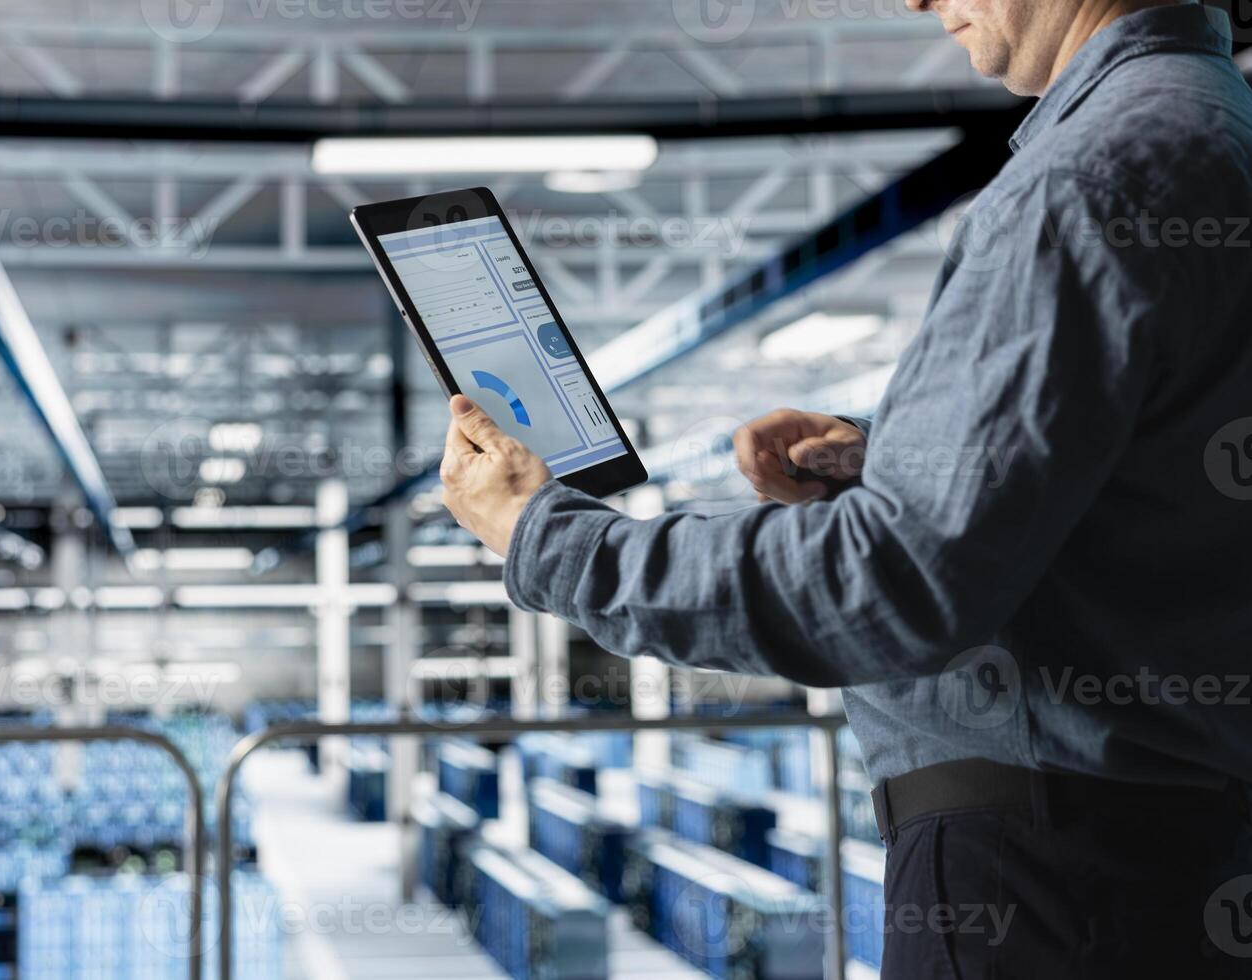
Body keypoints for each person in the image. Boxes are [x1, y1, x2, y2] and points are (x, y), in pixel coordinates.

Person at [438, 0, 1252, 976]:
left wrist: (549, 536)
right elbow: (1167, 492)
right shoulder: (1214, 127)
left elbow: (897, 582)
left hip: (1048, 885)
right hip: (1182, 856)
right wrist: (903, 462)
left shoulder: (1090, 174)